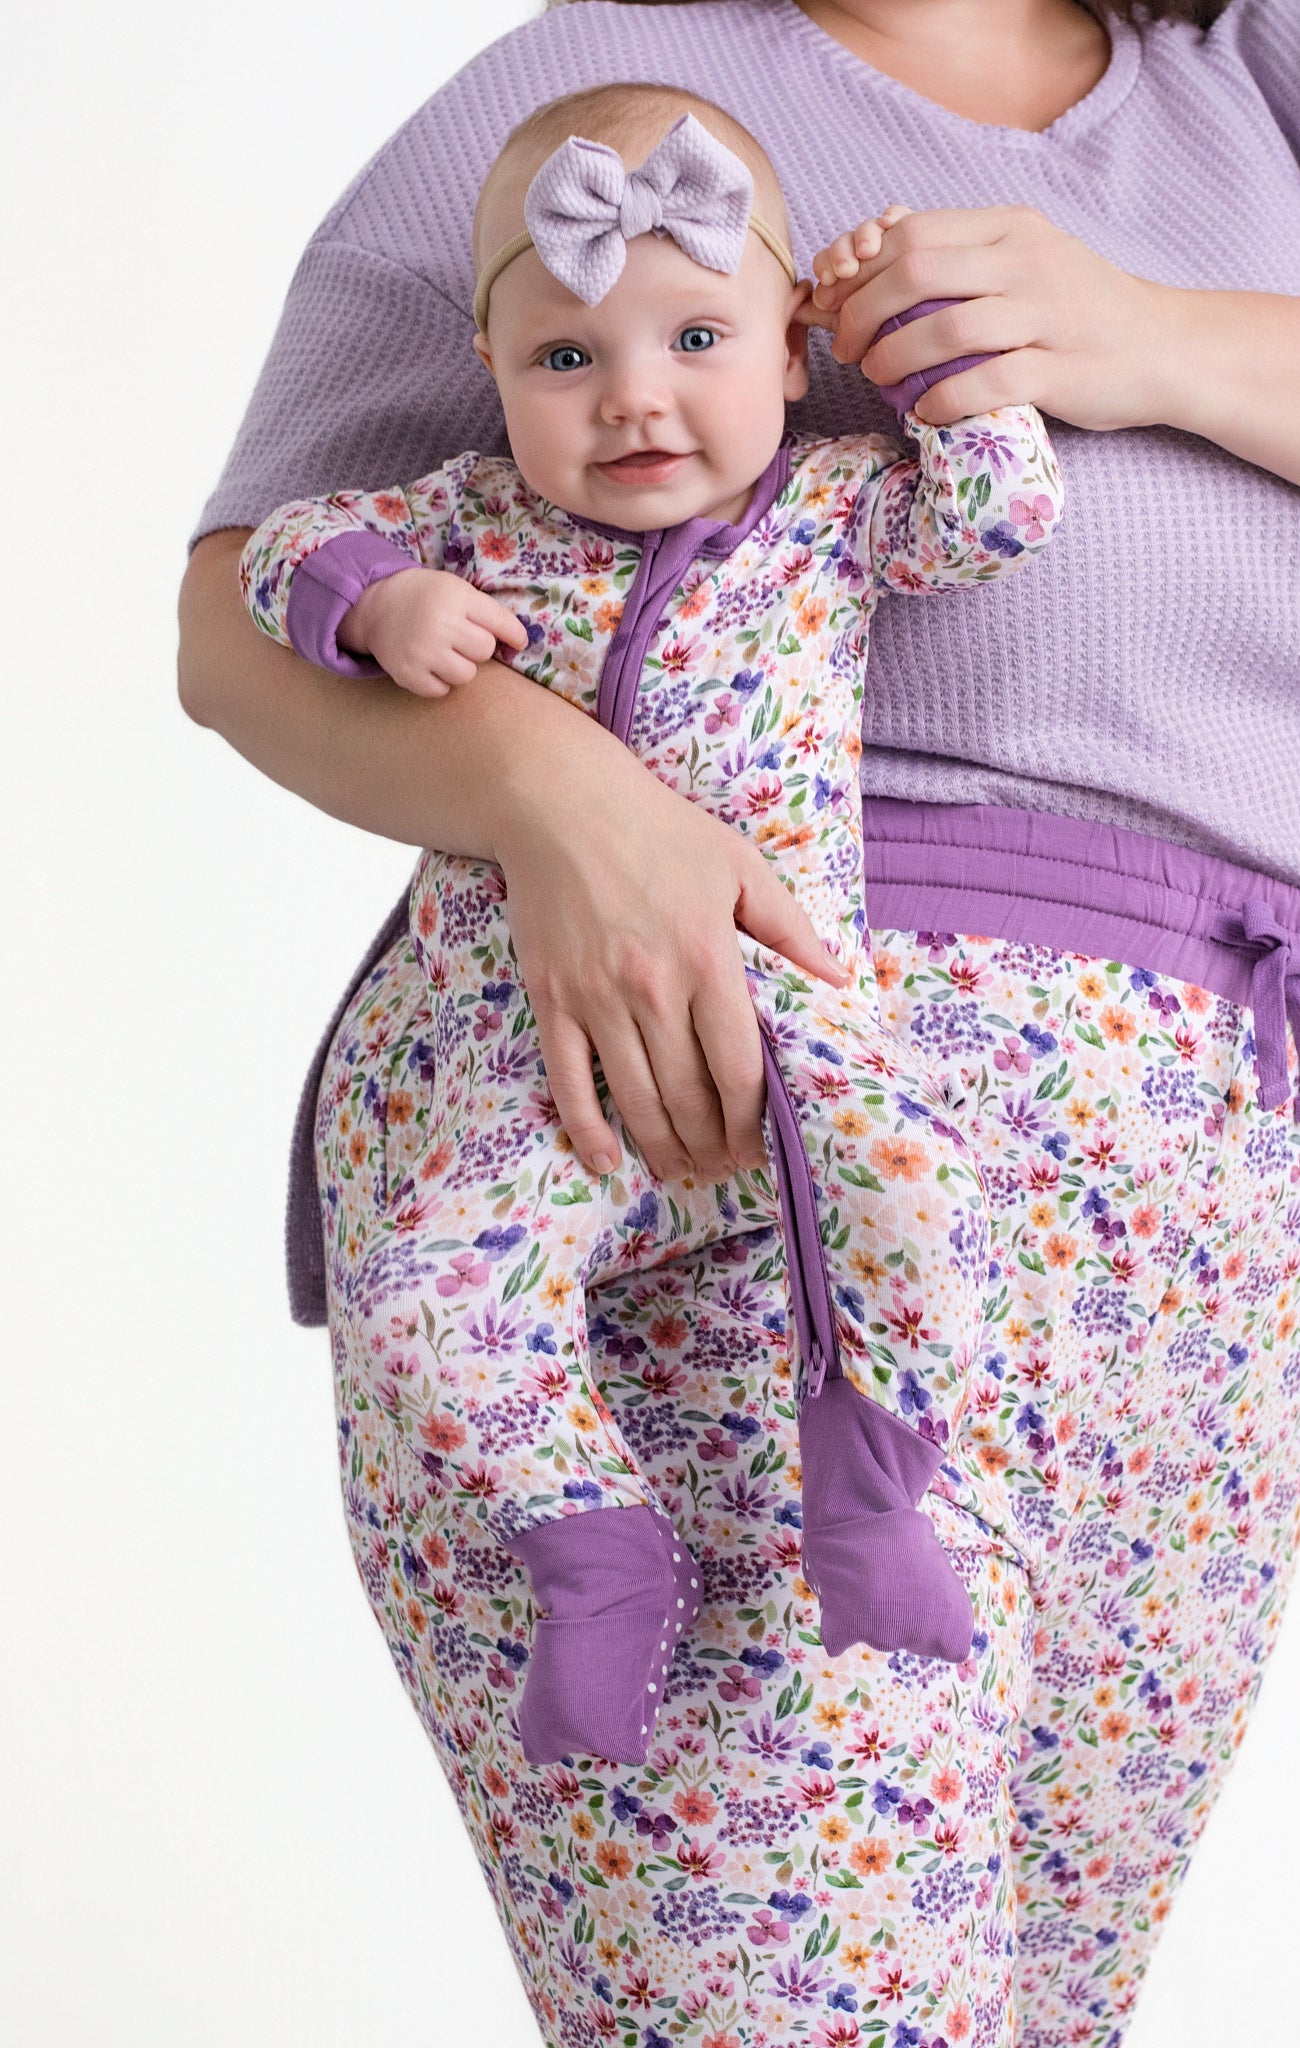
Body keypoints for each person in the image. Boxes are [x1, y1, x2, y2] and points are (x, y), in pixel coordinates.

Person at [176, 2, 1300, 2042]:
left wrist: (1140, 338)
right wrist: (567, 806)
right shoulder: (591, 95)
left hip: (1214, 1209)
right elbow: (240, 616)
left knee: (1033, 2006)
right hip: (724, 1127)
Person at [238, 84, 1065, 1762]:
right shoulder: (470, 520)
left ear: (790, 352)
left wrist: (917, 356)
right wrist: (380, 602)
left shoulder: (833, 504)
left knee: (928, 1197)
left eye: (697, 338)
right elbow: (285, 546)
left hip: (785, 1018)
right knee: (420, 1303)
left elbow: (1000, 513)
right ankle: (594, 1551)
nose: (632, 397)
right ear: (489, 368)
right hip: (530, 1065)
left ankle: (869, 1493)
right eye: (565, 358)